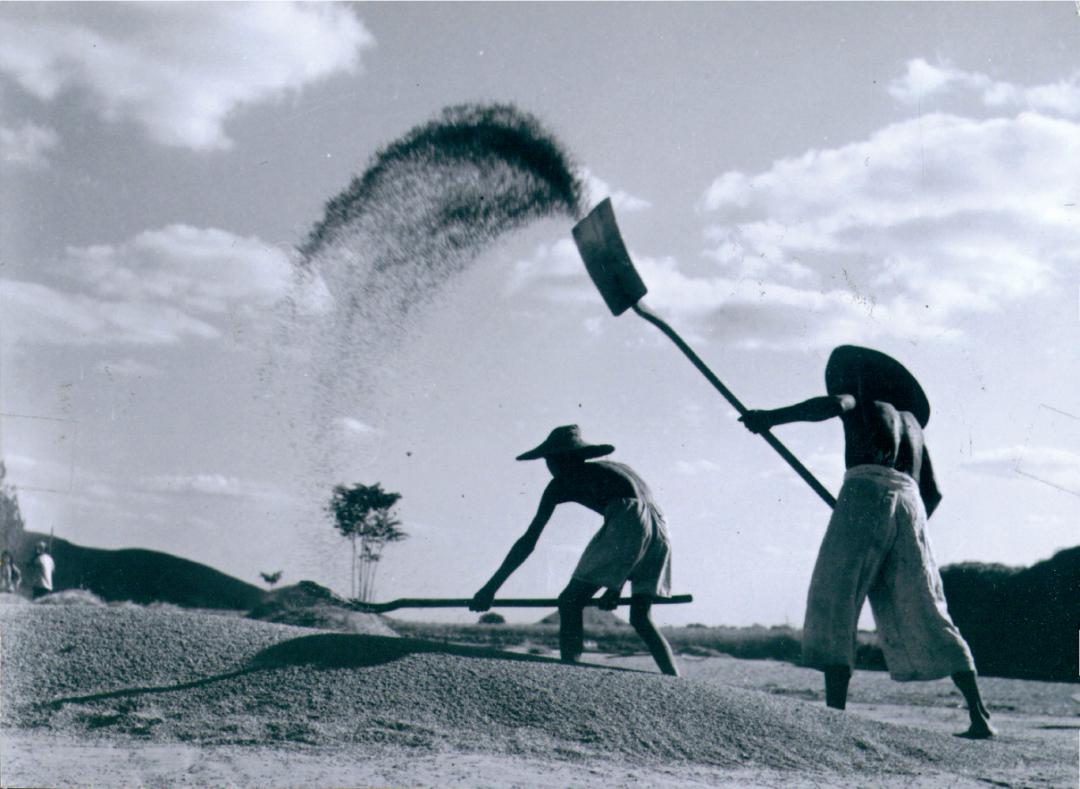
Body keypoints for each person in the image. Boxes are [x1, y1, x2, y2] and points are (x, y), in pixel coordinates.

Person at [739, 345, 994, 738]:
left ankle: (835, 716)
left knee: (836, 596)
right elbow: (936, 493)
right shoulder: (914, 427)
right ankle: (980, 716)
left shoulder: (862, 399)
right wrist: (901, 526)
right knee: (928, 607)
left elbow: (830, 405)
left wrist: (768, 418)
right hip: (912, 506)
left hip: (863, 493)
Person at [470, 425, 679, 676]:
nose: (550, 466)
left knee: (569, 602)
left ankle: (572, 674)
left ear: (561, 459)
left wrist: (490, 588)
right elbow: (642, 532)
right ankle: (674, 678)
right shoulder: (620, 470)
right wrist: (616, 584)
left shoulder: (560, 483)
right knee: (641, 617)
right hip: (661, 528)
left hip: (629, 523)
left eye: (551, 460)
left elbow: (529, 541)